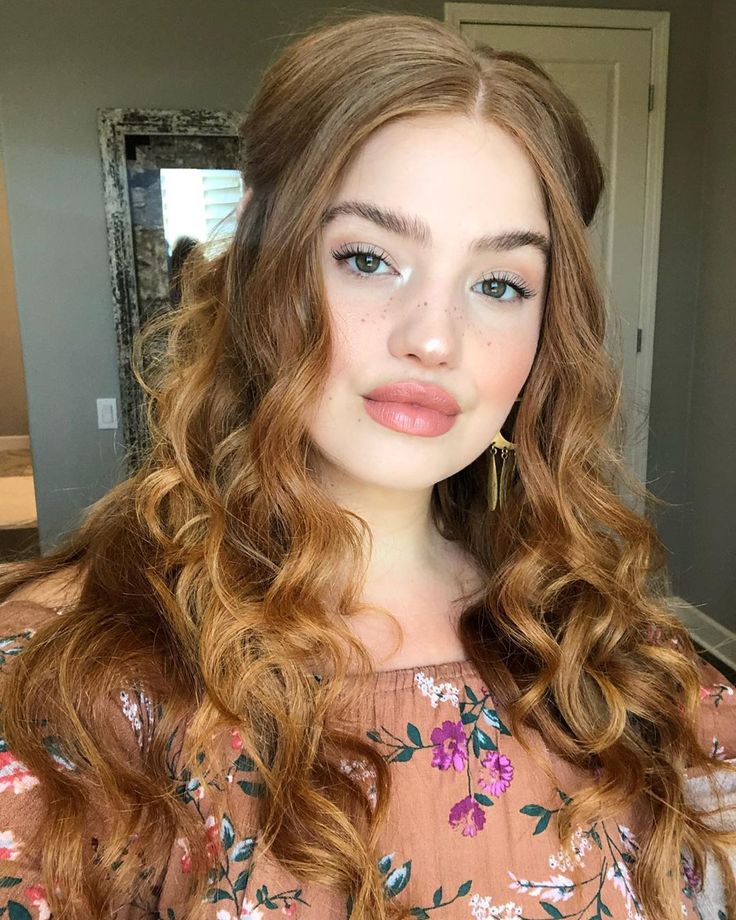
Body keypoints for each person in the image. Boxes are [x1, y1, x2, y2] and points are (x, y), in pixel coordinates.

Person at [0, 11, 734, 920]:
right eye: (367, 258)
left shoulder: (621, 657)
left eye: (500, 284)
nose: (432, 336)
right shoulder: (72, 677)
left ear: (544, 341)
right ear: (265, 282)